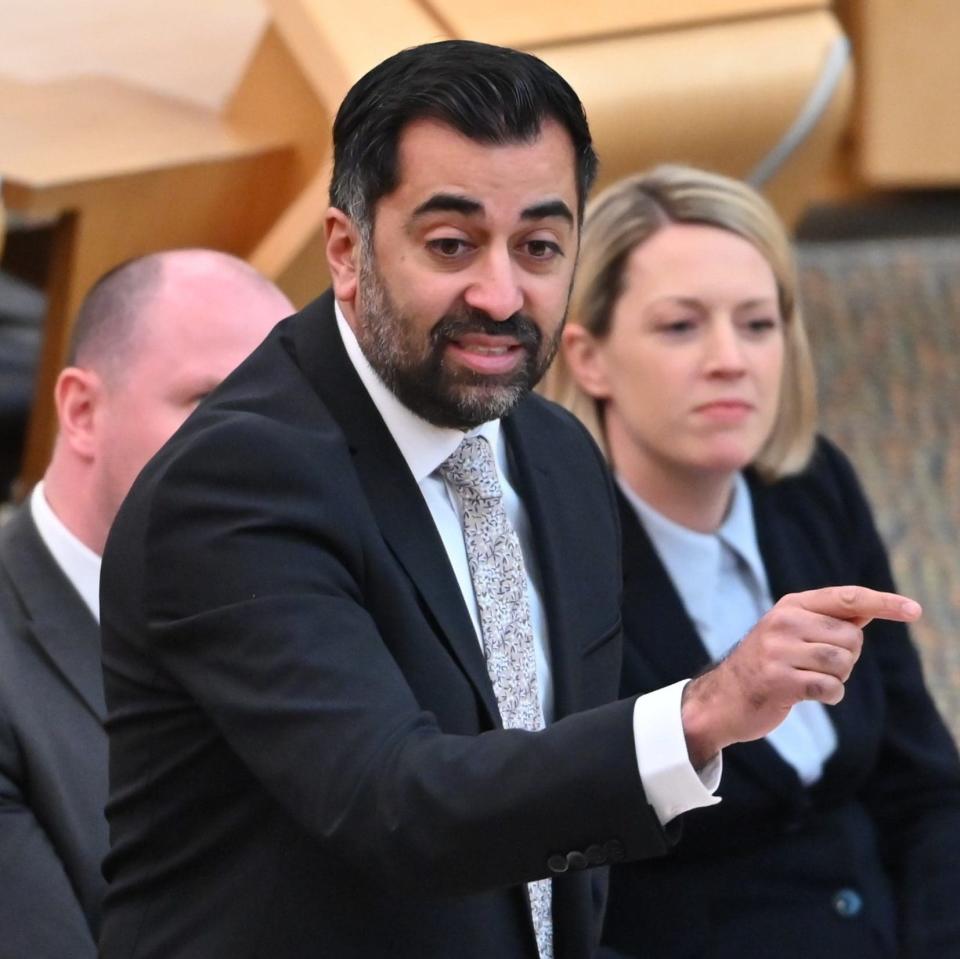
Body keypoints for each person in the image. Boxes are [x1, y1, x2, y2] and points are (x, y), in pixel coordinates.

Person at [98, 43, 920, 959]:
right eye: (451, 244)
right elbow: (398, 804)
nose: (499, 295)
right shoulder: (236, 481)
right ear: (347, 249)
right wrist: (700, 710)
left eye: (538, 247)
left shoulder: (558, 455)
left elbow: (558, 839)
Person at [546, 164, 960, 958]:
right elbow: (553, 884)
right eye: (681, 326)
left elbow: (924, 784)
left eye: (758, 324)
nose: (730, 359)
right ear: (589, 357)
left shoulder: (809, 489)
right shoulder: (553, 563)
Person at [0, 249, 293, 959]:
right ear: (81, 411)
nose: (264, 453)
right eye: (210, 406)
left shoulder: (317, 625)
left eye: (290, 416)